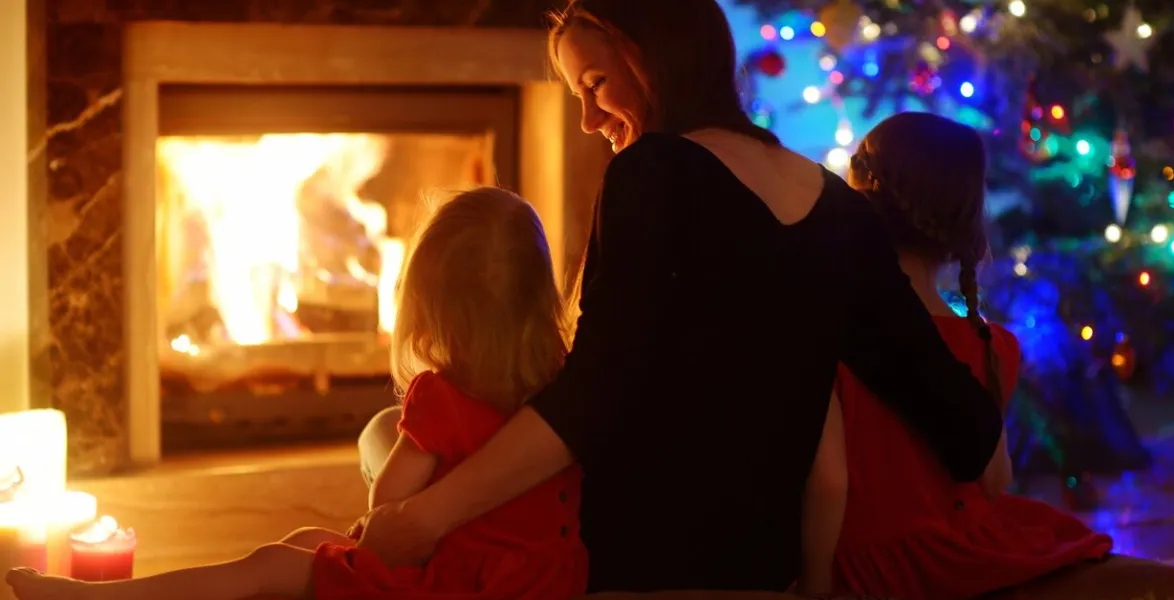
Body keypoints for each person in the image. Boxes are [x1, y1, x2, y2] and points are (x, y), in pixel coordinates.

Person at [352, 0, 1010, 592]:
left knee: (392, 436)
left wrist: (422, 519)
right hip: (761, 566)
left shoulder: (655, 171)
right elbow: (955, 412)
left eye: (595, 85)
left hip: (627, 555)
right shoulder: (838, 207)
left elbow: (590, 398)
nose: (586, 120)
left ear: (650, 58)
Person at [6, 187, 587, 600]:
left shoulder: (442, 396)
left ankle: (100, 599)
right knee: (305, 542)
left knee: (266, 566)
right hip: (543, 580)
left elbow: (384, 507)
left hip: (453, 584)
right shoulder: (559, 385)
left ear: (430, 309)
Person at [797, 112, 1114, 599]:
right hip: (969, 551)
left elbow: (829, 482)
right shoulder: (994, 345)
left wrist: (815, 585)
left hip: (871, 566)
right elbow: (994, 480)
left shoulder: (830, 333)